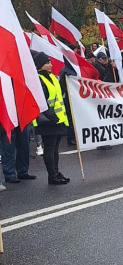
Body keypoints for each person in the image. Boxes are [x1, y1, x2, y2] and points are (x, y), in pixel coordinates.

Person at [33, 51, 70, 184]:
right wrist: (51, 116)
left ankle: (56, 171)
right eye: (47, 62)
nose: (50, 64)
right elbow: (41, 101)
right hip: (47, 120)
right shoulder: (38, 79)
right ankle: (52, 176)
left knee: (55, 149)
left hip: (57, 119)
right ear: (40, 65)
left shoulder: (53, 77)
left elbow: (59, 94)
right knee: (49, 148)